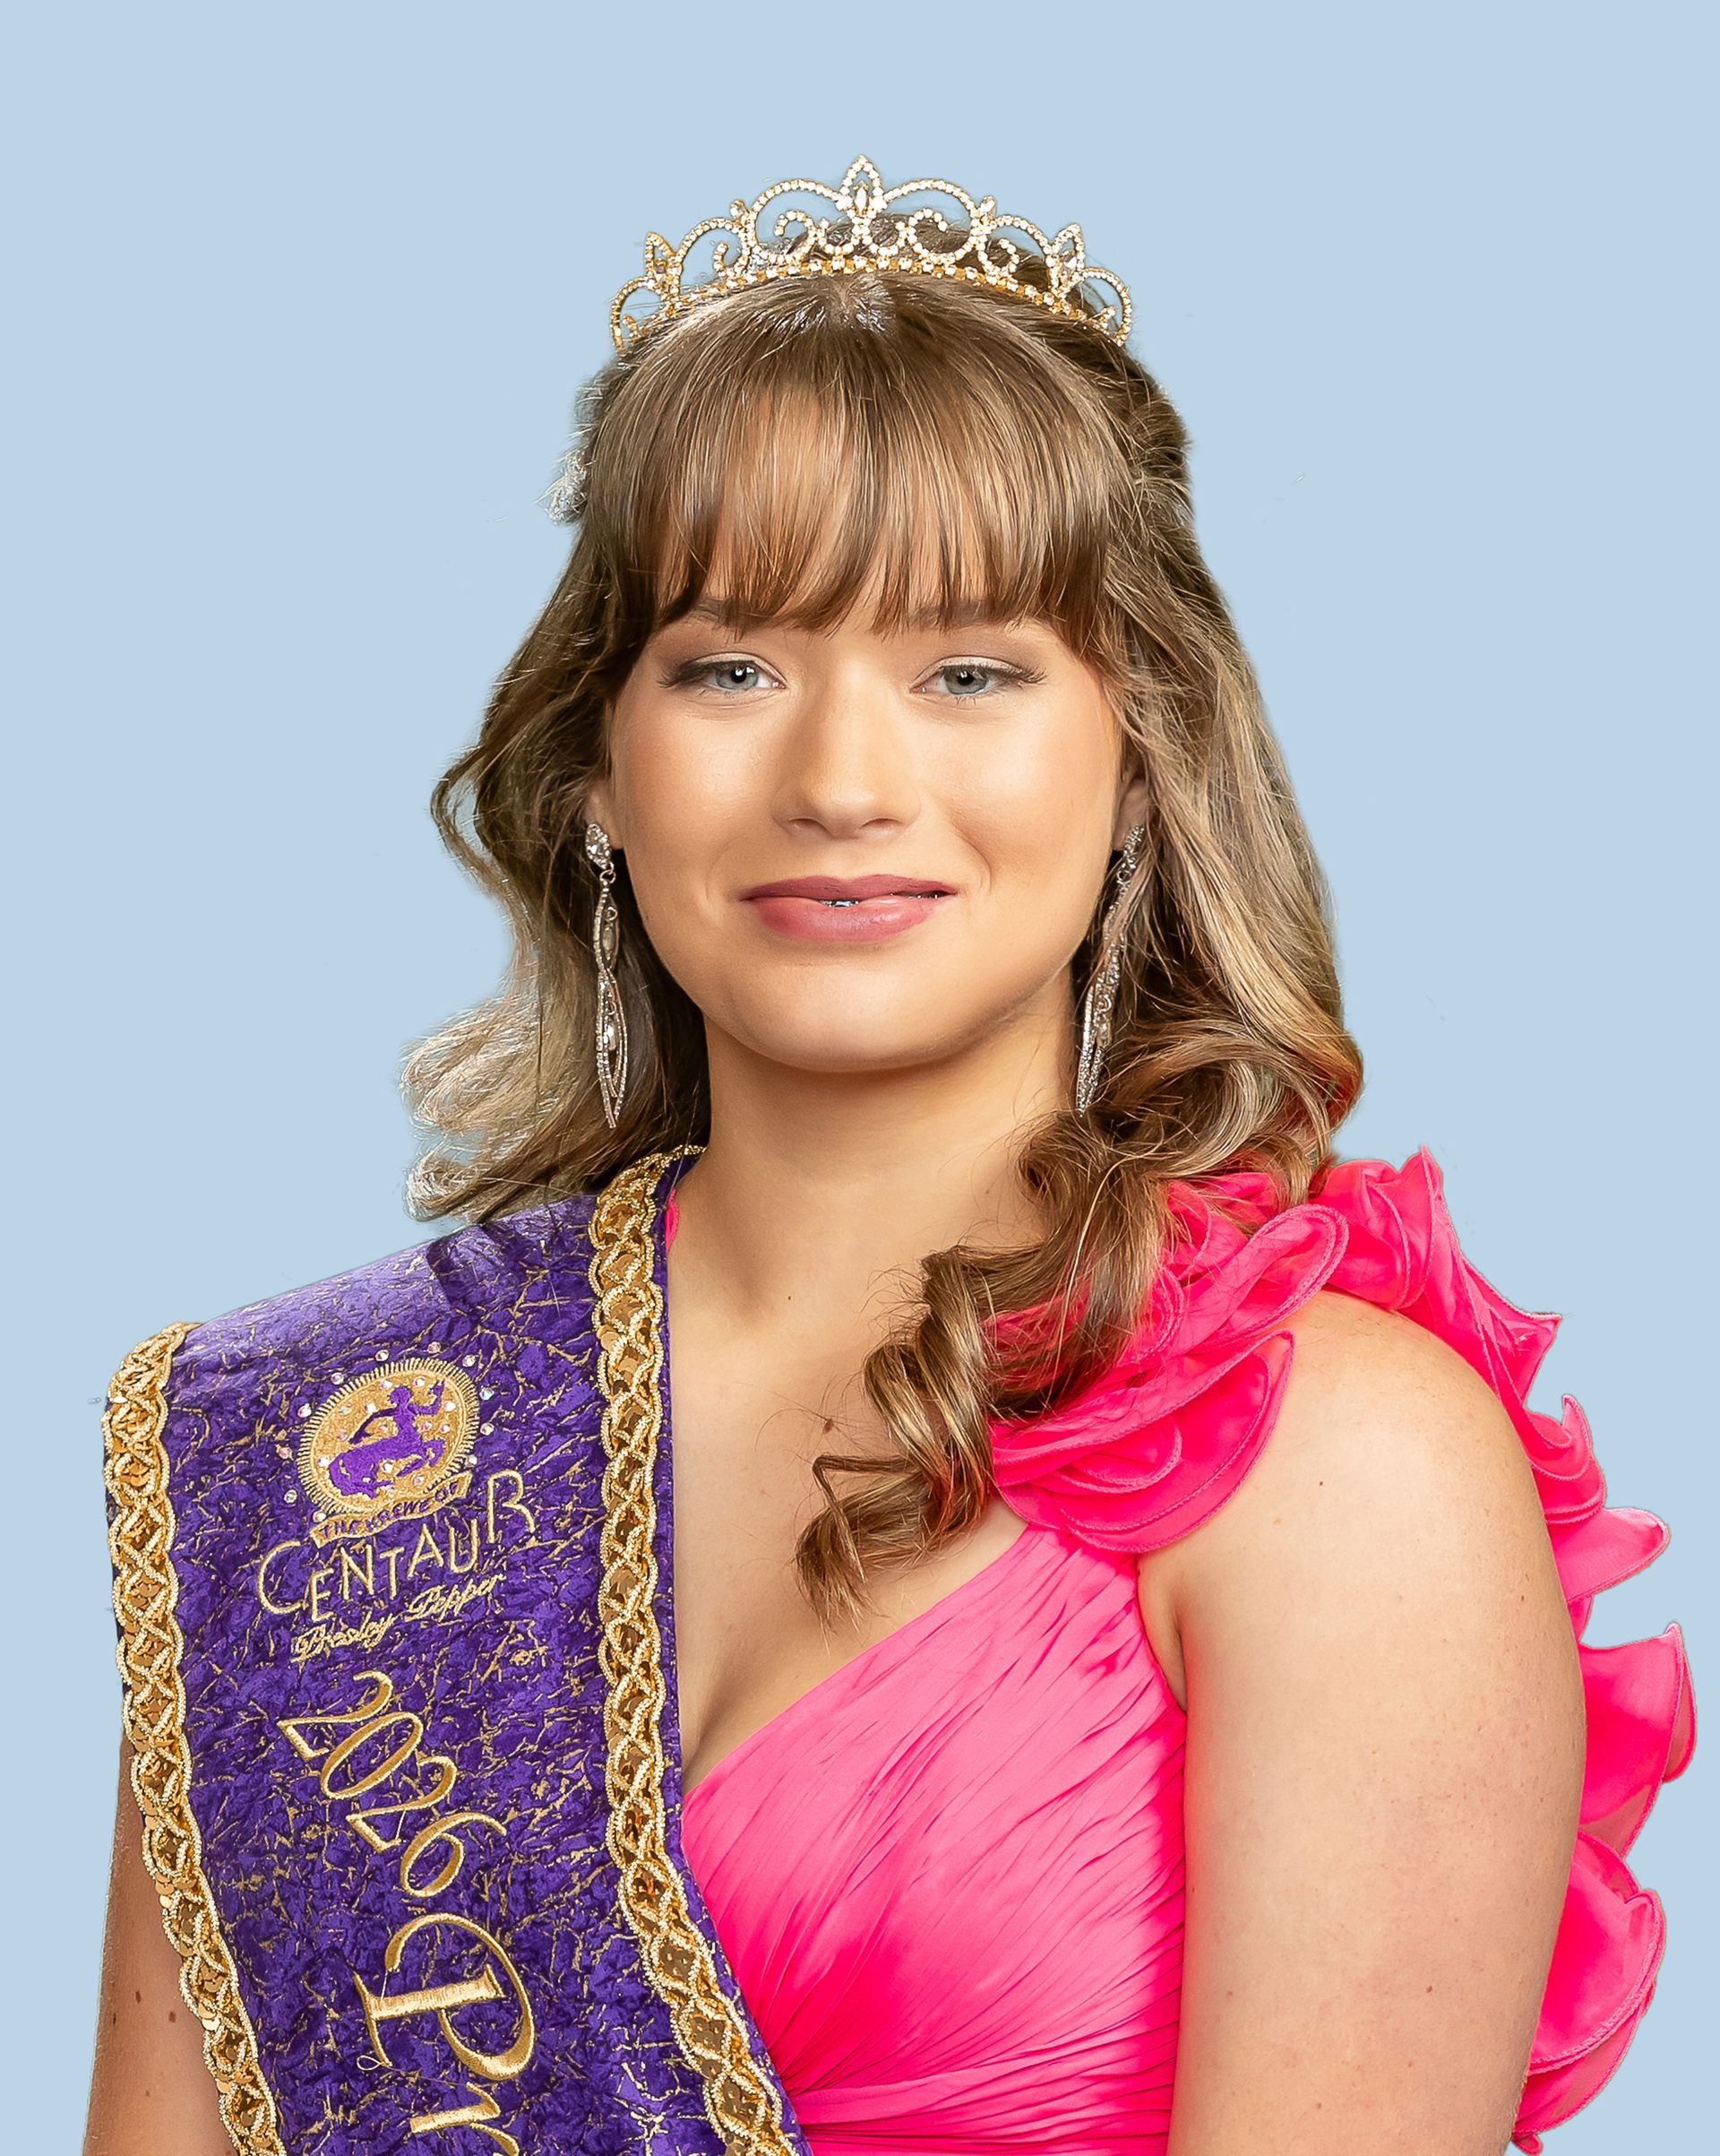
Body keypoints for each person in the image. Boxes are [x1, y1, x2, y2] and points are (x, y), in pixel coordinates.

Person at [86, 159, 1693, 2156]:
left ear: (1140, 756)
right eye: (731, 665)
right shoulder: (330, 1467)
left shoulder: (1335, 1472)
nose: (843, 779)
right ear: (598, 764)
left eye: (971, 670)